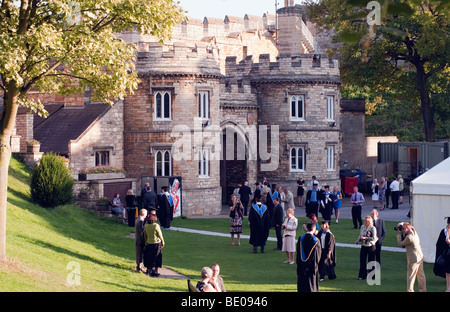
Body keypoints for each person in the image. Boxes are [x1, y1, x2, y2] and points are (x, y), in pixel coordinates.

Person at [396, 222, 427, 292]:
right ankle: (423, 290)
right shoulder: (413, 230)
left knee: (411, 275)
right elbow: (407, 225)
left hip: (413, 259)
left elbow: (400, 243)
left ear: (408, 228)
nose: (402, 230)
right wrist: (401, 224)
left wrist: (398, 234)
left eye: (404, 229)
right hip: (419, 256)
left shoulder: (409, 237)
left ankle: (410, 290)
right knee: (421, 275)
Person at [297, 222, 321, 292]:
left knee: (302, 285)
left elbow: (298, 254)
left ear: (307, 229)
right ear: (313, 229)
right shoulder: (316, 241)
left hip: (302, 266)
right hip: (312, 267)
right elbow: (318, 255)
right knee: (311, 285)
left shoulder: (301, 238)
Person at [143, 210, 165, 277]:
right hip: (156, 243)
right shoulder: (156, 226)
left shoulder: (146, 226)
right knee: (157, 257)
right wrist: (163, 242)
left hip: (149, 243)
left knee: (149, 257)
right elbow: (160, 234)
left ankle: (149, 270)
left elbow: (145, 235)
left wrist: (146, 242)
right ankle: (155, 271)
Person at [355, 216, 378, 280]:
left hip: (370, 246)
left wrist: (366, 238)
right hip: (363, 246)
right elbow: (361, 235)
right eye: (365, 221)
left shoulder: (372, 228)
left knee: (371, 261)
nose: (365, 222)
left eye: (367, 221)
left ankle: (372, 276)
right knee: (362, 261)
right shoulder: (362, 227)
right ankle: (362, 275)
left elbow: (374, 238)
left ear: (369, 222)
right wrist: (358, 240)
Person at [433, 217, 450, 292]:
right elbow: (439, 244)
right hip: (447, 255)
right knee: (448, 273)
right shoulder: (444, 232)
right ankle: (448, 288)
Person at [134, 208, 148, 273]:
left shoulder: (137, 219)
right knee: (140, 254)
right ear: (143, 214)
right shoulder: (140, 221)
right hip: (140, 240)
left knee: (139, 254)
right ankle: (139, 267)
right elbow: (141, 231)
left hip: (137, 239)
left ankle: (139, 266)